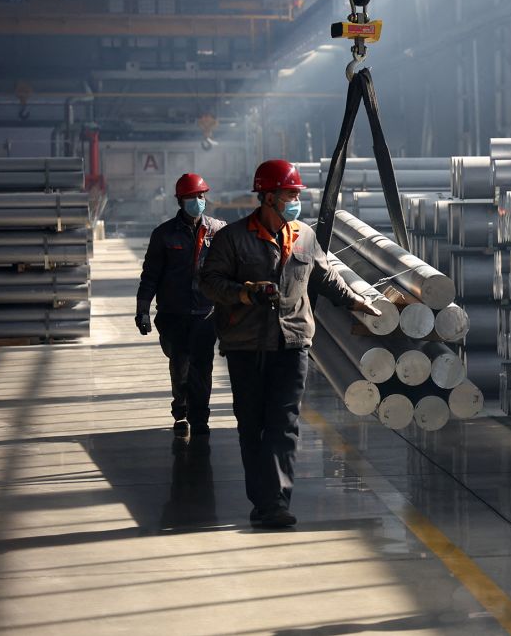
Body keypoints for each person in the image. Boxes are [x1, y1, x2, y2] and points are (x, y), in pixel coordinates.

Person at [199, 159, 380, 529]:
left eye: (297, 195)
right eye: (289, 195)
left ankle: (275, 503)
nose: (295, 201)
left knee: (284, 422)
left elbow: (326, 277)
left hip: (293, 341)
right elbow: (209, 282)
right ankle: (262, 499)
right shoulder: (231, 238)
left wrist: (358, 302)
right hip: (246, 345)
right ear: (267, 197)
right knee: (252, 425)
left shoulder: (305, 236)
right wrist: (245, 293)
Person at [137, 173, 226, 437]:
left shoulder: (218, 231)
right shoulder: (163, 235)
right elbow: (150, 275)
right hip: (173, 315)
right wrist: (142, 309)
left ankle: (200, 418)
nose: (198, 201)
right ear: (180, 201)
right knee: (180, 366)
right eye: (191, 197)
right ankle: (181, 411)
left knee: (202, 367)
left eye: (201, 196)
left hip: (205, 315)